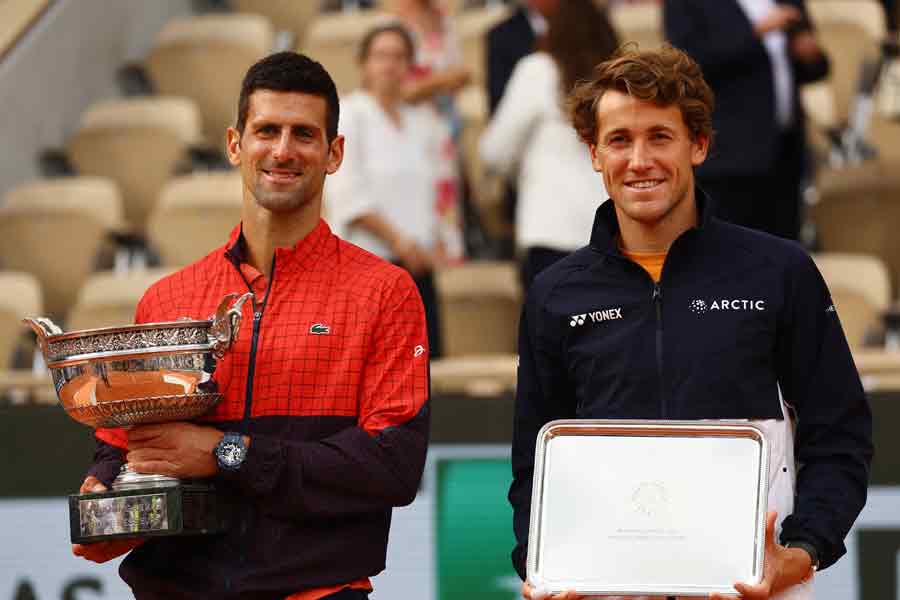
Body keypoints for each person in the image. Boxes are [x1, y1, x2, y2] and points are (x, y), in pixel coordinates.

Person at [510, 46, 872, 600]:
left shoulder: (778, 271)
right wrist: (541, 565)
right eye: (619, 140)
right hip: (606, 588)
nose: (640, 159)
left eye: (660, 136)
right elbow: (535, 463)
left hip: (753, 587)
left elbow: (839, 436)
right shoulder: (555, 293)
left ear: (698, 145)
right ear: (593, 154)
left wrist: (800, 553)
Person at [72, 51, 431, 600]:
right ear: (235, 144)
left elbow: (391, 466)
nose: (283, 150)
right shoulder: (167, 299)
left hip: (316, 591)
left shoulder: (384, 293)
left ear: (334, 153)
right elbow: (123, 443)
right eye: (267, 130)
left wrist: (223, 452)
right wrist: (108, 489)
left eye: (304, 134)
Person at [326, 23, 451, 358]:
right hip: (368, 266)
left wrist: (433, 243)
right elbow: (349, 193)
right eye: (381, 55)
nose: (390, 64)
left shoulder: (421, 121)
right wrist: (400, 242)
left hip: (417, 268)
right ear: (364, 63)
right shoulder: (349, 113)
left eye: (398, 56)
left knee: (425, 368)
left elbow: (431, 194)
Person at [479, 0, 619, 289]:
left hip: (551, 230)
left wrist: (521, 166)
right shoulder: (617, 80)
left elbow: (494, 151)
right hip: (612, 229)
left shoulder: (537, 71)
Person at [664, 0, 829, 240]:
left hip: (784, 149)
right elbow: (686, 65)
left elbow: (813, 69)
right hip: (729, 157)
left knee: (784, 250)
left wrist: (810, 55)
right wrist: (756, 32)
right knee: (732, 252)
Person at [485, 0, 561, 238]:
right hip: (530, 179)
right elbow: (499, 113)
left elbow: (493, 150)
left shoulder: (596, 30)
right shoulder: (502, 35)